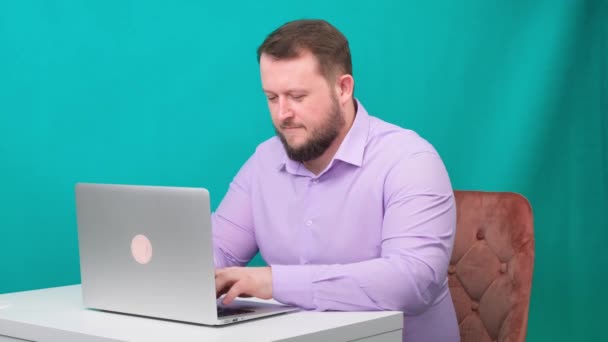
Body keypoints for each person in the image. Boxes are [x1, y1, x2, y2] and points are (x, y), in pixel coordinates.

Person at [212, 19, 459, 342]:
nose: (282, 113)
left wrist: (275, 282)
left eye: (297, 96)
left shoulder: (410, 160)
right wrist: (193, 273)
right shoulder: (264, 161)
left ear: (343, 88)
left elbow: (412, 282)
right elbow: (218, 248)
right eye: (272, 98)